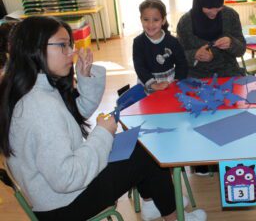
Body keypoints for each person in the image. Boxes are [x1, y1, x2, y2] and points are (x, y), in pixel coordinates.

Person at [0, 16, 206, 221]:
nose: (71, 52)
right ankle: (172, 216)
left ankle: (154, 204)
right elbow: (68, 178)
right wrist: (102, 133)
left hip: (54, 197)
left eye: (69, 44)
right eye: (62, 45)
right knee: (148, 154)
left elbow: (74, 114)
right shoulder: (39, 106)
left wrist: (84, 75)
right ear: (34, 49)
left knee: (141, 147)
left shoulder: (31, 88)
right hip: (64, 205)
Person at [177, 0, 246, 79]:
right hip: (197, 76)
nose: (214, 13)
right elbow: (178, 55)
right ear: (199, 4)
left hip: (227, 73)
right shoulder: (185, 22)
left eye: (218, 8)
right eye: (209, 8)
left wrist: (231, 43)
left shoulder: (230, 15)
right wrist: (195, 55)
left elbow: (242, 50)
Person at [133, 0, 188, 93]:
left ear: (163, 20)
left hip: (170, 83)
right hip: (147, 83)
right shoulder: (138, 42)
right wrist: (153, 84)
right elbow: (139, 67)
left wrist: (177, 81)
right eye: (146, 19)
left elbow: (182, 63)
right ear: (141, 19)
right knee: (150, 107)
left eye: (155, 20)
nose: (150, 24)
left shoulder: (173, 41)